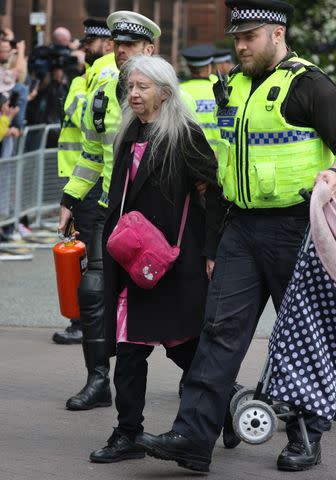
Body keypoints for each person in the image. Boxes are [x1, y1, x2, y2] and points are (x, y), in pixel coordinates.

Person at [136, 0, 336, 473]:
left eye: (250, 37)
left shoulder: (311, 85)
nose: (240, 46)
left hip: (297, 230)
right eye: (236, 37)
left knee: (302, 338)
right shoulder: (233, 89)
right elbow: (227, 167)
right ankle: (192, 438)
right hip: (241, 229)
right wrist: (211, 244)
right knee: (218, 333)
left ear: (277, 34)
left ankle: (305, 437)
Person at [89, 54, 220, 464]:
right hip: (133, 261)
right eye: (130, 87)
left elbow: (211, 193)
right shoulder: (130, 131)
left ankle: (225, 404)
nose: (133, 94)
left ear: (165, 93)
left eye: (142, 87)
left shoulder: (184, 134)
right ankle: (128, 432)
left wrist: (211, 252)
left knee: (184, 348)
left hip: (172, 264)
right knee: (129, 349)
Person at [57, 11, 160, 411]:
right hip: (108, 212)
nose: (121, 52)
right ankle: (98, 381)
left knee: (170, 303)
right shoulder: (102, 88)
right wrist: (70, 198)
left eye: (130, 46)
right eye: (118, 45)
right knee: (94, 291)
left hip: (154, 219)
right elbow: (92, 155)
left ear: (149, 49)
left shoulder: (164, 91)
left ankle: (207, 387)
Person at [52, 19, 115, 345]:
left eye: (90, 42)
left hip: (92, 180)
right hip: (81, 175)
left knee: (93, 258)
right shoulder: (92, 72)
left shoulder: (102, 71)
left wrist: (76, 87)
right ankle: (86, 322)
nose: (84, 47)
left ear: (107, 44)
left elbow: (83, 114)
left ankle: (86, 324)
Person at [180, 44, 221, 155]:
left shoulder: (179, 91)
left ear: (189, 67)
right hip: (220, 156)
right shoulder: (221, 89)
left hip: (191, 155)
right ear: (209, 67)